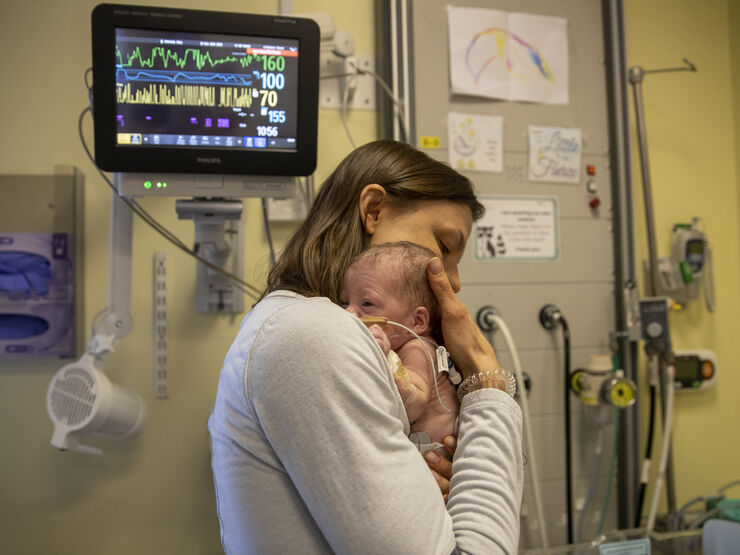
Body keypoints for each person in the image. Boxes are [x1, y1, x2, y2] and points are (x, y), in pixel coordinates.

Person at [208, 139, 523, 554]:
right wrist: (488, 386)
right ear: (373, 211)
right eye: (445, 247)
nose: (455, 281)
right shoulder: (312, 334)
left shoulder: (306, 328)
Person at [340, 241, 459, 448]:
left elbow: (413, 404)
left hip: (435, 450)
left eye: (367, 304)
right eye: (344, 302)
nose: (349, 313)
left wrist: (385, 358)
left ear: (417, 321)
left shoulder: (417, 348)